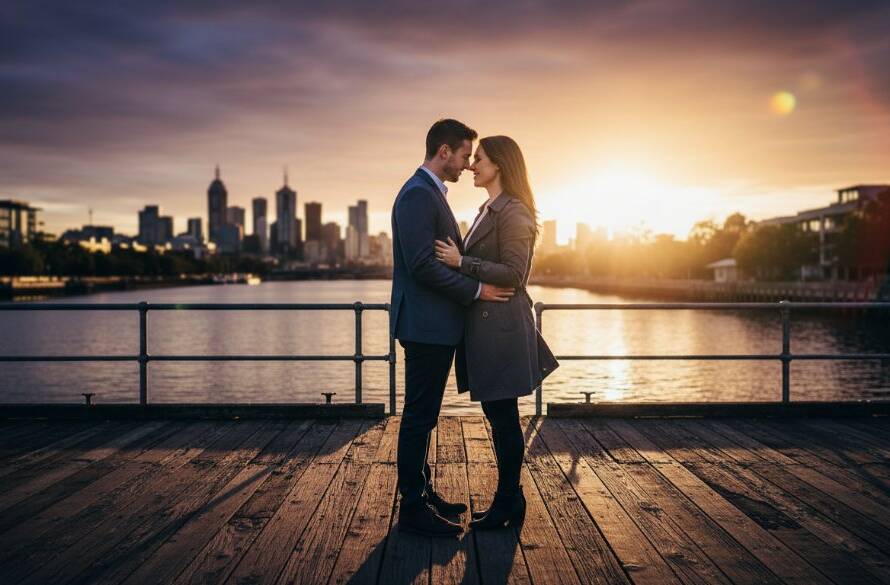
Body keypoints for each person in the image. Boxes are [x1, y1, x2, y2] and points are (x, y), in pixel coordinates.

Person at [390, 119, 516, 537]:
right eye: (464, 155)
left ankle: (422, 493)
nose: (466, 164)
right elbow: (421, 265)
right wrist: (477, 289)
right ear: (444, 151)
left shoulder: (429, 193)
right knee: (418, 416)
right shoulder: (417, 194)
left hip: (433, 326)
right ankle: (412, 507)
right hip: (425, 326)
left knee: (424, 415)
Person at [435, 135, 559, 530]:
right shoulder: (488, 209)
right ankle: (509, 499)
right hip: (488, 327)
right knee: (498, 415)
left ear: (500, 165)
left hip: (502, 328)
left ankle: (508, 501)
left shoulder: (514, 211)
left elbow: (514, 273)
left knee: (503, 417)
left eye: (480, 159)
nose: (472, 165)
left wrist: (461, 262)